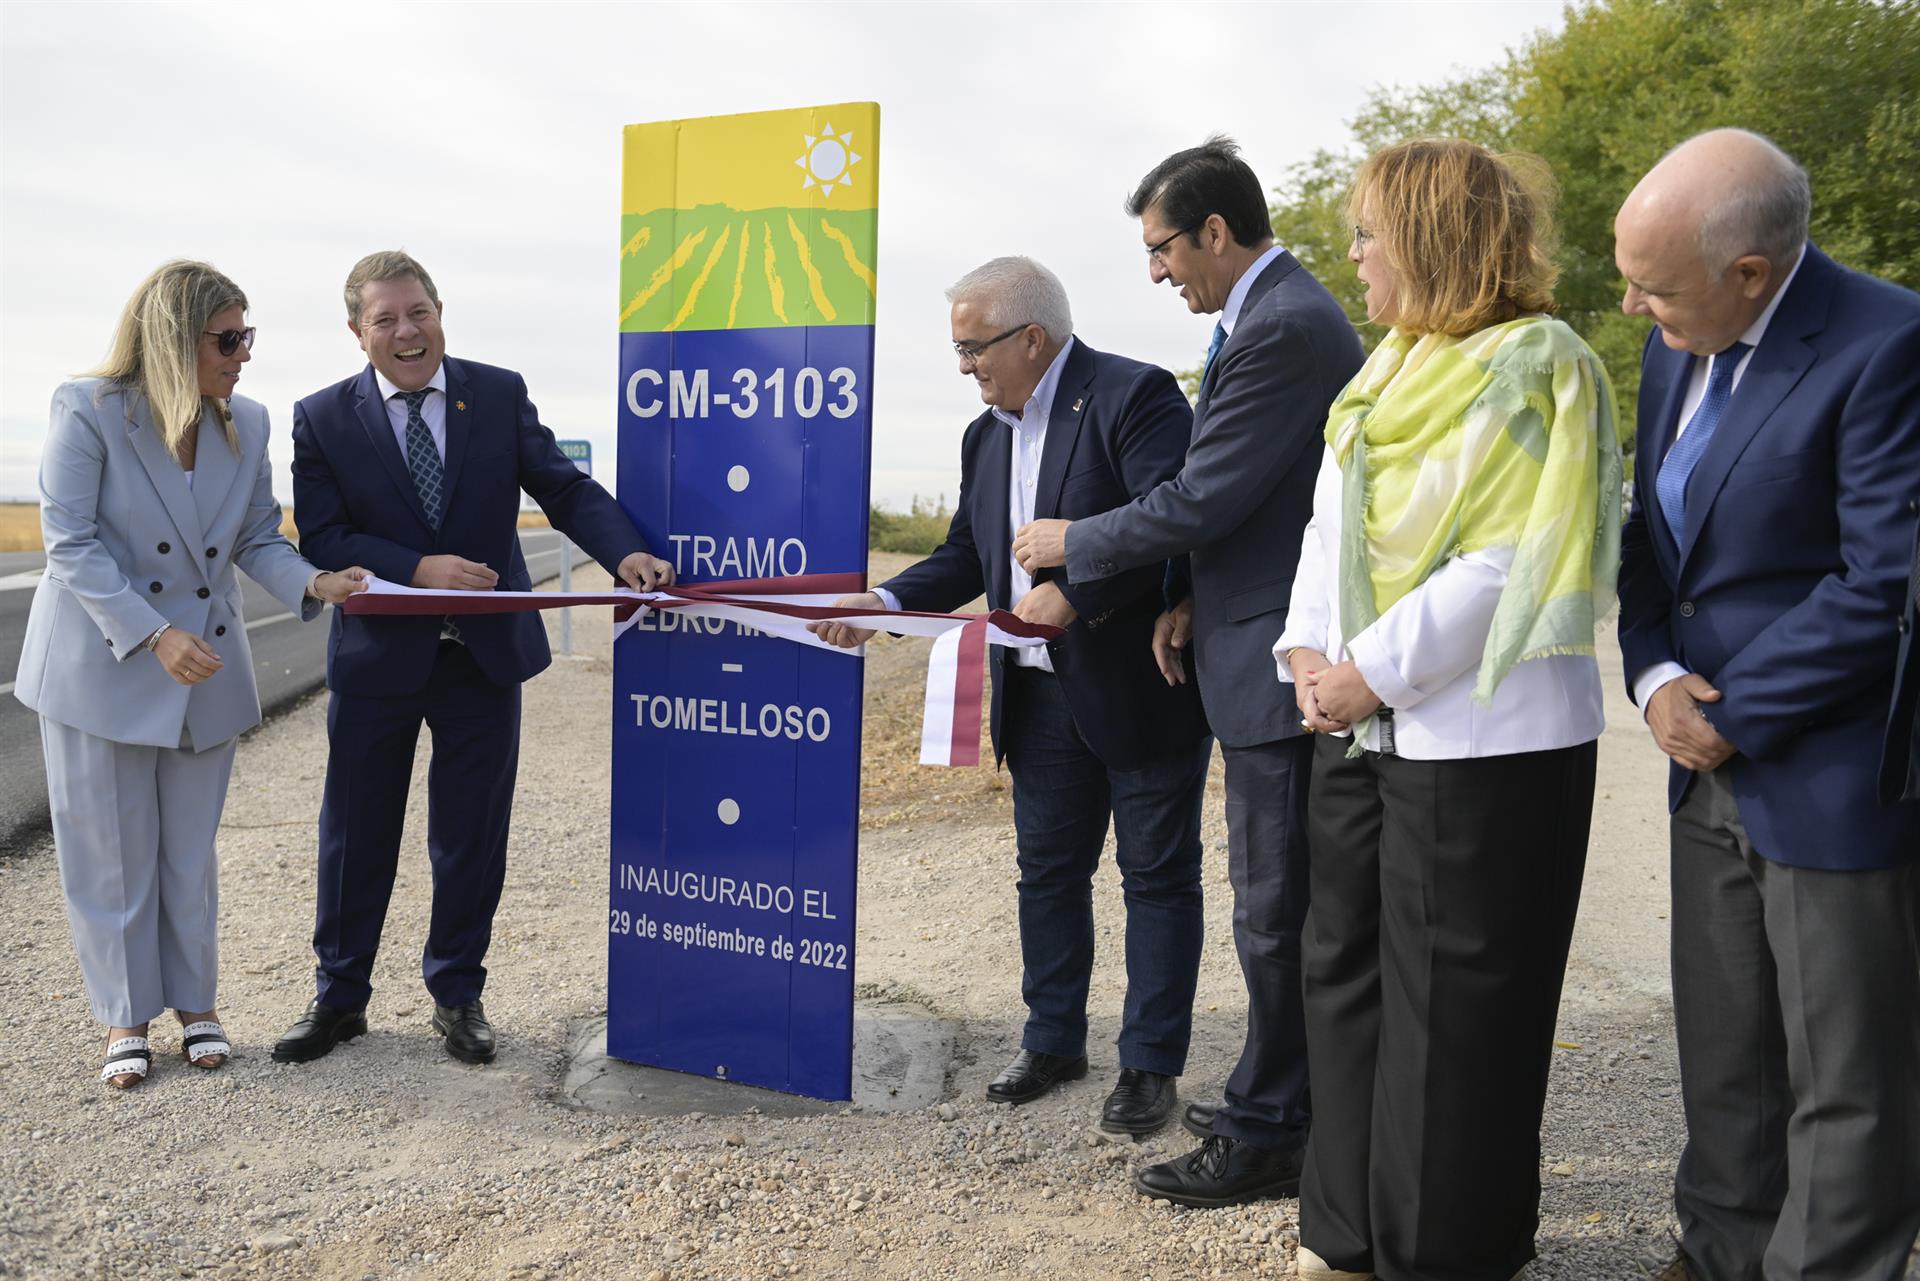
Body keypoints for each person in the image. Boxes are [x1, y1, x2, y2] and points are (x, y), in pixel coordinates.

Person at [1276, 139, 1620, 1281]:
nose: (1354, 255)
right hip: (1356, 725)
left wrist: (1365, 669)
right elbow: (1328, 538)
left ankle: (1446, 1250)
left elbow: (1513, 559)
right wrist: (1307, 654)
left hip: (1481, 744)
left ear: (1427, 239)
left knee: (1460, 1010)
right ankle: (1351, 1227)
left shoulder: (1540, 364)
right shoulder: (1382, 372)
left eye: (1370, 232)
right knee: (1344, 974)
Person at [1010, 137, 1365, 1206]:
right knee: (1276, 903)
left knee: (1277, 910)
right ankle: (1274, 1093)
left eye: (1164, 248)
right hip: (1246, 637)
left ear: (1216, 232)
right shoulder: (1265, 320)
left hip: (1278, 670)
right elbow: (1264, 504)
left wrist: (1078, 543)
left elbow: (1206, 495)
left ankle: (1273, 1132)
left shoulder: (1282, 327)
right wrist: (1191, 595)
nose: (1158, 271)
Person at [1615, 129, 1920, 1281]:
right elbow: (1649, 533)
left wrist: (1734, 709)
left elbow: (1886, 580)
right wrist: (1650, 681)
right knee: (1727, 1053)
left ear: (1752, 271)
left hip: (1830, 772)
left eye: (1656, 284)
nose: (1636, 307)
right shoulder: (1675, 340)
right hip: (1698, 757)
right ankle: (1722, 1251)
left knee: (1849, 1078)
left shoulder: (1890, 342)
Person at [811, 257, 1210, 1134]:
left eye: (972, 348)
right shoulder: (984, 435)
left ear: (1033, 338)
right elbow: (967, 555)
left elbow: (1172, 520)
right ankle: (1054, 1036)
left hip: (1142, 686)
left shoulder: (1134, 395)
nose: (964, 368)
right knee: (1048, 876)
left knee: (1157, 879)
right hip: (1035, 701)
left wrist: (1077, 589)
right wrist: (882, 604)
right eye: (956, 350)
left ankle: (1148, 1065)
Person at [277, 251, 673, 1067]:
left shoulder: (495, 392)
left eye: (417, 311)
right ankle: (339, 998)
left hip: (483, 660)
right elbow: (323, 535)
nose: (406, 330)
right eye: (385, 319)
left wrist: (626, 551)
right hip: (378, 661)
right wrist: (417, 570)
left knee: (470, 837)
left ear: (439, 311)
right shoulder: (320, 417)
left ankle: (457, 995)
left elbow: (562, 489)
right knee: (356, 835)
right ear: (358, 333)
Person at [13, 260, 369, 1088]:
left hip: (202, 668)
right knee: (110, 853)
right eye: (229, 337)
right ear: (179, 337)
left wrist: (314, 581)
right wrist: (154, 634)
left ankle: (197, 1005)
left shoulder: (245, 420)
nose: (244, 353)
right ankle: (124, 1017)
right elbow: (68, 544)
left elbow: (256, 537)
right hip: (101, 666)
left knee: (187, 854)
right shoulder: (88, 409)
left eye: (247, 336)